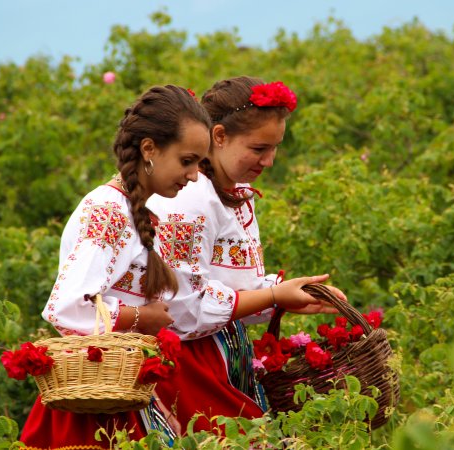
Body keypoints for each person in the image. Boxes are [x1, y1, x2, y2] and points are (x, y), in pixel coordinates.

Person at [147, 76, 346, 435]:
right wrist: (272, 296)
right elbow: (182, 310)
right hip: (188, 364)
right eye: (258, 149)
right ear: (218, 137)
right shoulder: (191, 200)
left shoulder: (237, 193)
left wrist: (291, 297)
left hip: (221, 353)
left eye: (275, 148)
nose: (269, 161)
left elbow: (235, 287)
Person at [19, 85, 212, 449]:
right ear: (149, 150)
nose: (194, 175)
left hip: (118, 390)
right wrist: (141, 318)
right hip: (92, 400)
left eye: (199, 164)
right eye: (187, 161)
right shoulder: (107, 210)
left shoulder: (136, 210)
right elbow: (67, 308)